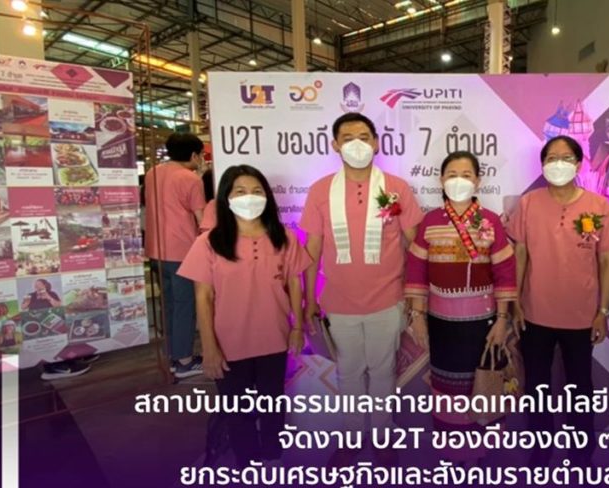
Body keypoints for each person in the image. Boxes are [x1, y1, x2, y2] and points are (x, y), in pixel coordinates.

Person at [301, 112, 423, 468]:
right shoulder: (321, 190)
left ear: (376, 143)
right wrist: (308, 299)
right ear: (335, 145)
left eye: (364, 136)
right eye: (348, 137)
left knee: (383, 371)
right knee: (349, 372)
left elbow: (414, 242)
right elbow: (312, 248)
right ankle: (353, 436)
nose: (357, 144)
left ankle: (382, 437)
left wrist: (416, 295)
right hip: (339, 301)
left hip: (387, 298)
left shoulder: (396, 188)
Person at [178, 165, 310, 468]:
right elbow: (203, 297)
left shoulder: (284, 237)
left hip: (274, 337)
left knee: (272, 403)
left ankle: (273, 456)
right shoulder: (209, 242)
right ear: (226, 197)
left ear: (267, 197)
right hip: (229, 342)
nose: (249, 197)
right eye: (240, 191)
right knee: (237, 409)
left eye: (256, 191)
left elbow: (295, 283)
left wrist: (297, 327)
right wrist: (209, 347)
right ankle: (247, 461)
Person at [507, 135, 609, 467]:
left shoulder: (599, 206)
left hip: (582, 316)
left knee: (581, 389)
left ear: (578, 163)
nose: (558, 164)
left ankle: (582, 455)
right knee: (537, 387)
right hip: (534, 314)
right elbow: (520, 254)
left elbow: (608, 261)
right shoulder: (529, 203)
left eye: (565, 157)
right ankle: (541, 451)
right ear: (543, 164)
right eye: (551, 158)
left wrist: (603, 311)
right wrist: (515, 302)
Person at [405, 151, 517, 465]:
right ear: (441, 180)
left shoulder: (490, 220)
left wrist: (502, 320)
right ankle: (454, 455)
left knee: (484, 384)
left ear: (478, 181)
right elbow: (417, 271)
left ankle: (483, 455)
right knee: (447, 389)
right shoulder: (430, 221)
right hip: (441, 323)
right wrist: (417, 316)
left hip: (483, 324)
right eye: (452, 174)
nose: (459, 180)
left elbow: (505, 272)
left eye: (466, 175)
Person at [145, 133, 207, 379]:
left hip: (155, 249)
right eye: (200, 155)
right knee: (185, 306)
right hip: (182, 251)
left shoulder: (152, 173)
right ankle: (184, 361)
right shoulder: (190, 179)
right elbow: (202, 219)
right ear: (193, 155)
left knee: (169, 304)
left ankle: (174, 355)